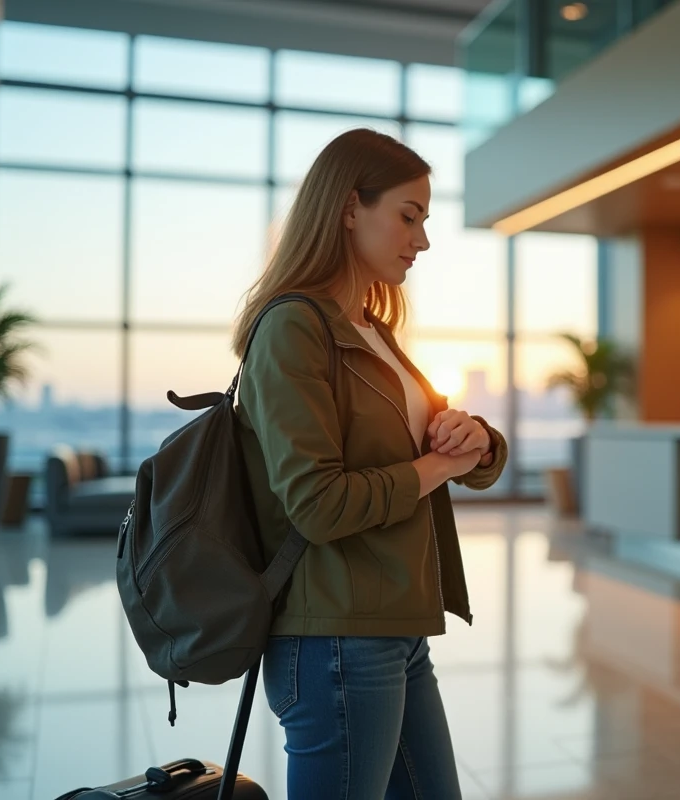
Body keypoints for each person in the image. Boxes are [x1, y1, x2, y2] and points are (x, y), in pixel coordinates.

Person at [230, 128, 508, 799]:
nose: (423, 239)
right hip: (335, 639)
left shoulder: (372, 331)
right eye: (408, 216)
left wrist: (474, 438)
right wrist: (439, 466)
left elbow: (447, 454)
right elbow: (319, 504)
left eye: (425, 220)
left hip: (395, 629)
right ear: (350, 208)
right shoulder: (292, 328)